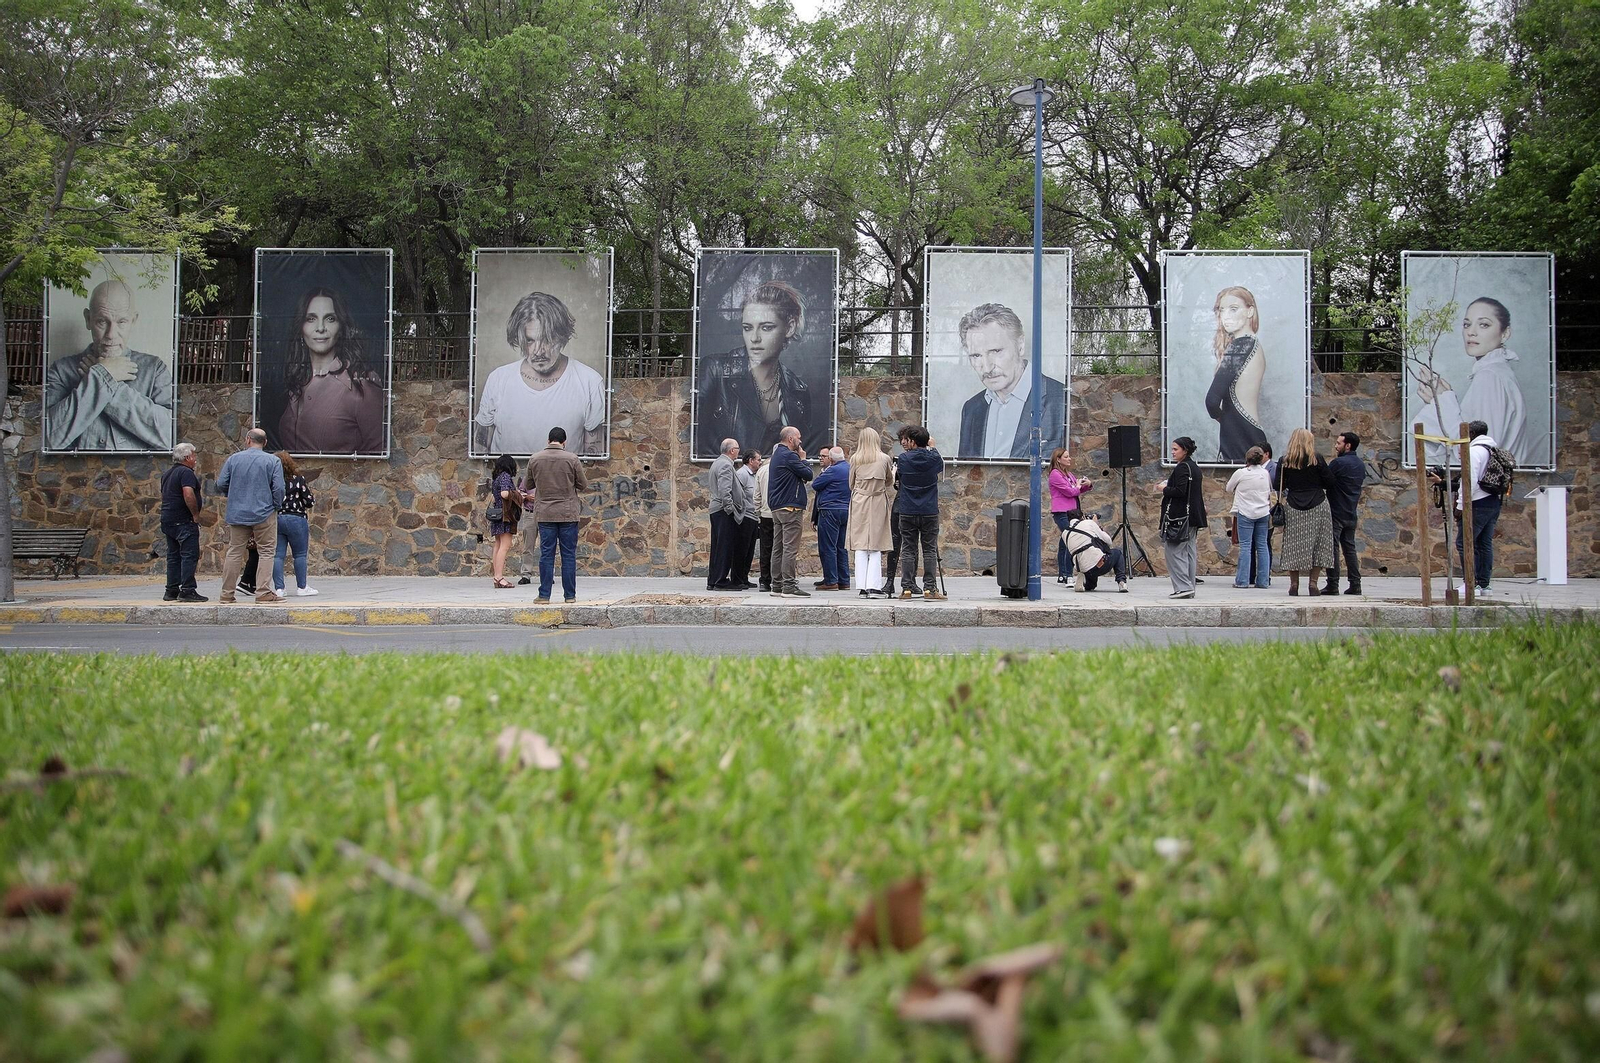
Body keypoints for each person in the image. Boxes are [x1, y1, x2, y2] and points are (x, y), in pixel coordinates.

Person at [696, 281, 824, 459]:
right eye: (747, 328)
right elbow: (698, 434)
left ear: (790, 327)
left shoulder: (798, 389)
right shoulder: (716, 370)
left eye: (766, 327)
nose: (754, 338)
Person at [45, 278, 174, 452]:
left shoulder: (155, 369)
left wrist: (104, 380)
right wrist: (104, 374)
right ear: (88, 319)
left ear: (133, 320)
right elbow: (50, 438)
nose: (111, 334)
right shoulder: (61, 370)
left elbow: (169, 437)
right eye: (102, 322)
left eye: (121, 322)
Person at [474, 291, 607, 456]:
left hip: (562, 480)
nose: (538, 351)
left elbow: (594, 457)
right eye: (530, 340)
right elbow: (480, 450)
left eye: (547, 339)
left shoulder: (589, 382)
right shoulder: (498, 379)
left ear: (562, 337)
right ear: (520, 339)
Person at [1415, 298, 1532, 466]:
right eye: (1466, 324)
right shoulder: (1498, 372)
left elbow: (1478, 451)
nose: (1471, 332)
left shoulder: (1490, 377)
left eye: (1484, 324)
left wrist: (1443, 402)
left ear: (1505, 333)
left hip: (1485, 485)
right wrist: (1441, 402)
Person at [275, 287, 385, 454]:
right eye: (311, 318)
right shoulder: (297, 382)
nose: (320, 328)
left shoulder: (361, 383)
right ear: (301, 326)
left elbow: (379, 453)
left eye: (330, 319)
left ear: (341, 326)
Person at [955, 303, 1066, 460]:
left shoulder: (1061, 400)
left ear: (1020, 346)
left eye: (996, 351)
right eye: (976, 356)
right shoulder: (971, 409)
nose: (987, 367)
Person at [1430, 420, 1503, 596]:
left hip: (1476, 503)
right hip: (1493, 502)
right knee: (1484, 543)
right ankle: (1484, 585)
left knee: (1464, 542)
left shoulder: (1472, 451)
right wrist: (1444, 483)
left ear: (1470, 434)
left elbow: (1469, 481)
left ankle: (1470, 583)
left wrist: (1462, 505)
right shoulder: (1493, 450)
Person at [215, 428, 286, 603]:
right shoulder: (273, 461)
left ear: (248, 440)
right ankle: (263, 592)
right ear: (265, 442)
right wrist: (275, 506)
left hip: (237, 512)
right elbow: (279, 488)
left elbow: (221, 483)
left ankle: (226, 594)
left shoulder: (233, 459)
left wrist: (233, 495)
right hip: (264, 512)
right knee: (267, 552)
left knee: (234, 551)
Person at [524, 426, 589, 603]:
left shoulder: (535, 459)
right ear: (564, 442)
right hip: (568, 513)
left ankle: (544, 595)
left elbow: (528, 483)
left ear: (548, 440)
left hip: (545, 513)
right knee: (568, 555)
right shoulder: (572, 459)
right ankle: (570, 595)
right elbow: (583, 485)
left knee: (546, 554)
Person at [1203, 286, 1267, 462]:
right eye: (1222, 310)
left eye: (1234, 308)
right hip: (1251, 430)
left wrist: (1223, 419)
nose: (1227, 316)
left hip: (1239, 433)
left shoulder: (1240, 346)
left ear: (1250, 311)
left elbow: (1212, 400)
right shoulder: (1253, 344)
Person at [1278, 427, 1335, 596]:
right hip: (1318, 503)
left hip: (1294, 504)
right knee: (1319, 544)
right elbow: (1330, 481)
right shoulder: (1316, 459)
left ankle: (1294, 584)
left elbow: (1277, 485)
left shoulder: (1285, 461)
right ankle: (1313, 583)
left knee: (1292, 545)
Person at [896, 425, 946, 600]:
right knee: (929, 550)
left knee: (908, 549)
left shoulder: (903, 459)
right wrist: (932, 447)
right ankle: (930, 589)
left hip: (908, 509)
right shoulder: (933, 458)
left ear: (913, 442)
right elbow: (939, 464)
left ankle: (907, 588)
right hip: (929, 509)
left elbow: (900, 476)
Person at [845, 428, 894, 598]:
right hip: (878, 500)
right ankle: (874, 586)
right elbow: (889, 481)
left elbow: (850, 483)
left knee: (860, 543)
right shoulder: (884, 459)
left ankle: (862, 587)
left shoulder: (856, 459)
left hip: (859, 501)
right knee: (876, 543)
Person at [766, 426, 814, 597]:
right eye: (799, 438)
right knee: (789, 548)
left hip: (777, 508)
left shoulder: (777, 455)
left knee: (778, 548)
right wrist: (803, 459)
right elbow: (808, 474)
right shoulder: (789, 456)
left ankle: (776, 585)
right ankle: (788, 586)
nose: (801, 441)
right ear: (791, 439)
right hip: (790, 507)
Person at [1157, 436, 1207, 598]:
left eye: (1175, 449)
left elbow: (1180, 491)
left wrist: (1163, 488)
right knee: (1189, 551)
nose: (1172, 452)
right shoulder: (1194, 467)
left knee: (1174, 551)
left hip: (1180, 517)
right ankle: (1189, 587)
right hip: (1192, 516)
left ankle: (1184, 587)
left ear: (1185, 450)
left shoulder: (1182, 468)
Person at [158, 442, 207, 602]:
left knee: (173, 556)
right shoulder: (186, 473)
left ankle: (171, 590)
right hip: (183, 520)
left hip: (168, 519)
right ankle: (187, 589)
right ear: (187, 457)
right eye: (194, 455)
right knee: (189, 555)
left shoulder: (167, 474)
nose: (195, 459)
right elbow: (188, 494)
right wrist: (195, 515)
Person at [1325, 431, 1366, 595]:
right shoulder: (1360, 464)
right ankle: (1355, 584)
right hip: (1351, 511)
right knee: (1350, 549)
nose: (1336, 446)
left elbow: (1325, 480)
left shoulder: (1338, 463)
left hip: (1336, 511)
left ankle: (1333, 584)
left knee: (1333, 548)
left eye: (1338, 443)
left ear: (1347, 445)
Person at [1225, 446, 1273, 589]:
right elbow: (1269, 489)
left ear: (1247, 459)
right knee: (1262, 546)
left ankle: (1242, 580)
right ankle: (1263, 581)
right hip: (1263, 512)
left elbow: (1228, 488)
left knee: (1246, 546)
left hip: (1245, 512)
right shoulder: (1265, 473)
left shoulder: (1241, 473)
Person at [271, 451, 318, 597]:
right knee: (300, 554)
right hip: (297, 518)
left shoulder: (271, 480)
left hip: (277, 518)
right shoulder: (298, 479)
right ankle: (302, 587)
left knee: (278, 555)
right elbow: (309, 501)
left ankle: (279, 588)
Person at [1047, 448, 1092, 584]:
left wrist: (1087, 485)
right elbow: (1070, 492)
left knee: (1064, 542)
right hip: (1062, 512)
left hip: (1073, 512)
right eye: (1066, 457)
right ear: (1058, 459)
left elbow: (1076, 490)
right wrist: (1077, 486)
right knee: (1071, 540)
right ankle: (1068, 574)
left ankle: (1062, 575)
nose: (1069, 459)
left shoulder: (1069, 474)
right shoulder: (1055, 474)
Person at [812, 445, 851, 590]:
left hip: (830, 511)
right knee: (841, 547)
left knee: (828, 547)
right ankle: (844, 580)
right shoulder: (849, 468)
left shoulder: (832, 470)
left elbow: (816, 485)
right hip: (846, 510)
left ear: (832, 459)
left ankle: (831, 581)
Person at [706, 437, 741, 590]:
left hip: (716, 509)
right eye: (738, 448)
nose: (739, 451)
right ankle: (720, 580)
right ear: (732, 450)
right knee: (724, 547)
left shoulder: (717, 463)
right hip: (722, 510)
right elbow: (725, 490)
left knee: (717, 546)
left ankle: (713, 580)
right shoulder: (726, 465)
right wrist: (730, 510)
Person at [1061, 513, 1128, 592]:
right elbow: (1109, 541)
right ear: (1082, 517)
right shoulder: (1089, 523)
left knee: (1091, 586)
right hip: (1099, 564)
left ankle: (1083, 581)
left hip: (1083, 568)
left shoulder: (1065, 533)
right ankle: (1121, 582)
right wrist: (1096, 524)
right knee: (1117, 553)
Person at [488, 454, 522, 589]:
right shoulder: (505, 477)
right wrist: (518, 494)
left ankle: (496, 576)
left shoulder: (496, 478)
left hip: (497, 514)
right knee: (505, 546)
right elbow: (504, 494)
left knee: (497, 544)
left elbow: (495, 497)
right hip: (505, 516)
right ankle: (499, 577)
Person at [729, 450, 761, 590]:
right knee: (741, 550)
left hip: (753, 517)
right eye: (758, 460)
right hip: (745, 517)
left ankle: (744, 577)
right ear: (750, 460)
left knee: (749, 550)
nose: (760, 462)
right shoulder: (742, 474)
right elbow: (736, 493)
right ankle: (736, 579)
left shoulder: (754, 475)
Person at [754, 453, 775, 592]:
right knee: (782, 548)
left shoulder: (761, 470)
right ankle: (780, 578)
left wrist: (758, 512)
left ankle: (765, 580)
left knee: (765, 548)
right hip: (781, 512)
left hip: (765, 514)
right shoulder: (784, 468)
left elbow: (756, 495)